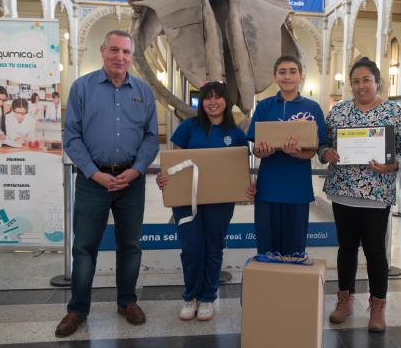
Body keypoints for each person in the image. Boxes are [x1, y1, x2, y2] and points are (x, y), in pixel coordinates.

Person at [56, 30, 159, 338]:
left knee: (130, 245)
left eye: (126, 52)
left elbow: (152, 137)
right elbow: (71, 136)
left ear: (131, 57)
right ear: (103, 52)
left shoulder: (143, 91)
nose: (120, 57)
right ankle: (77, 309)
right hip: (92, 181)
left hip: (131, 181)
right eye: (114, 50)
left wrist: (138, 169)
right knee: (85, 247)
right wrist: (93, 172)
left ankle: (127, 301)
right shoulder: (82, 88)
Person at [320, 57, 401, 331]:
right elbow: (323, 143)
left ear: (377, 82)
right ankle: (345, 300)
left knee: (375, 251)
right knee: (347, 249)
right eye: (355, 81)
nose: (361, 86)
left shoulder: (393, 113)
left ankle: (377, 307)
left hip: (377, 193)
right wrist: (325, 152)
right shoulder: (338, 111)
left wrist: (393, 164)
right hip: (343, 191)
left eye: (366, 80)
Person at [156, 81, 255, 322]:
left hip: (219, 202)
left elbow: (240, 168)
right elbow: (173, 163)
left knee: (213, 248)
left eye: (217, 97)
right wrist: (164, 178)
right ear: (202, 102)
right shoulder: (188, 127)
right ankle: (190, 296)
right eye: (207, 98)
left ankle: (208, 297)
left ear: (225, 101)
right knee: (191, 249)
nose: (212, 102)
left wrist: (247, 187)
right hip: (186, 201)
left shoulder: (235, 133)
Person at [247, 55, 327, 255]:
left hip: (297, 190)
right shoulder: (264, 106)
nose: (287, 76)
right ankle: (270, 286)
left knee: (295, 250)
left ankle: (292, 286)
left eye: (293, 71)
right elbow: (255, 148)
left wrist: (298, 153)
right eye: (282, 72)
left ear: (300, 76)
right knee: (267, 249)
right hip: (268, 189)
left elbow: (315, 149)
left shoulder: (312, 108)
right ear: (275, 77)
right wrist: (261, 151)